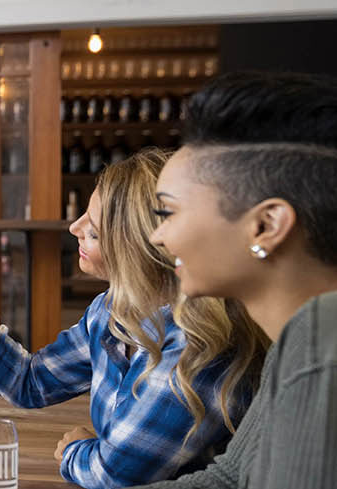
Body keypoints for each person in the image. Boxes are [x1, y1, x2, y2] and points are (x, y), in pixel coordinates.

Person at [0, 149, 269, 488]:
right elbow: (30, 383)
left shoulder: (195, 343)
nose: (73, 227)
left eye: (93, 230)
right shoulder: (112, 310)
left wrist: (76, 449)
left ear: (135, 247)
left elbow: (111, 475)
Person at [134, 72, 337, 488]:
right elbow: (227, 478)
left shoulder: (324, 342)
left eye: (167, 213)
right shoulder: (296, 342)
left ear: (266, 224)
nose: (157, 236)